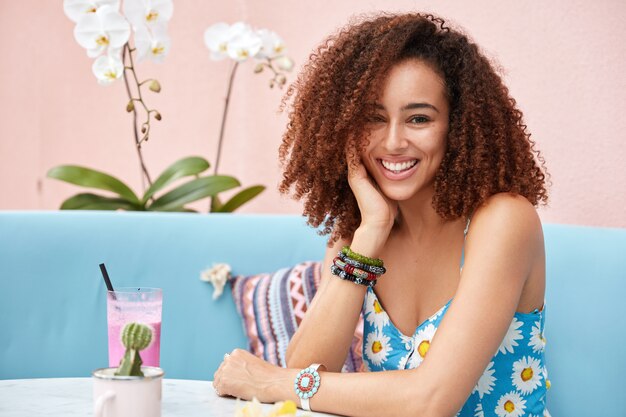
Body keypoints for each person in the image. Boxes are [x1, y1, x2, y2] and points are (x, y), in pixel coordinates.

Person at [213, 12, 550, 417]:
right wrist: (371, 230)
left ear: (456, 127)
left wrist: (271, 381)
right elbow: (305, 371)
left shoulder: (503, 221)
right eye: (373, 118)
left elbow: (431, 401)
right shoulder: (359, 232)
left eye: (419, 118)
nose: (393, 141)